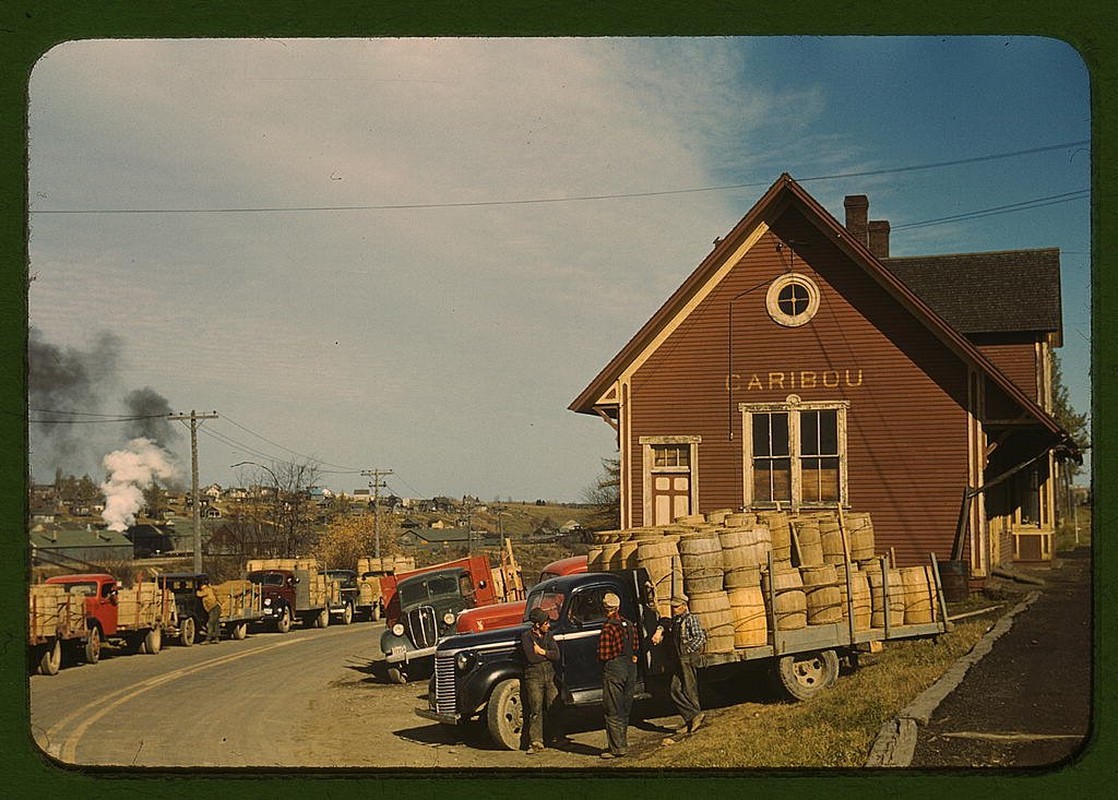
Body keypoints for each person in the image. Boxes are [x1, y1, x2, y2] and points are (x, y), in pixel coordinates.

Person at [652, 594, 707, 745]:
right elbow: (664, 621)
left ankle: (696, 719)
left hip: (687, 658)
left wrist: (688, 649)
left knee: (689, 688)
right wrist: (660, 630)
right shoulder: (676, 621)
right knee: (675, 689)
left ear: (684, 606)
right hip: (678, 660)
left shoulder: (690, 619)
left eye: (676, 607)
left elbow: (700, 637)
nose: (673, 609)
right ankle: (692, 717)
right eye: (673, 607)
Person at [596, 591, 640, 759]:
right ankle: (622, 741)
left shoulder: (608, 627)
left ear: (605, 608)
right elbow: (635, 646)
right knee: (624, 707)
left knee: (612, 708)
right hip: (630, 667)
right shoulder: (628, 624)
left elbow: (604, 654)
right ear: (618, 606)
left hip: (614, 668)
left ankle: (617, 748)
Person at [520, 607, 561, 753]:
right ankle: (536, 741)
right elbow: (531, 657)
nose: (548, 626)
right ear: (537, 624)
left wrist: (542, 652)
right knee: (535, 709)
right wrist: (547, 654)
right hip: (534, 676)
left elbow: (557, 655)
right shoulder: (526, 637)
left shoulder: (548, 635)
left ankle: (557, 737)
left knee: (553, 705)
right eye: (545, 623)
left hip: (549, 674)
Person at [196, 577, 222, 644]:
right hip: (213, 608)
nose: (201, 587)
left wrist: (196, 590)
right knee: (215, 624)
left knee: (210, 623)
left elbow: (198, 594)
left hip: (214, 608)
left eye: (202, 585)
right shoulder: (209, 589)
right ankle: (216, 638)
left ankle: (208, 639)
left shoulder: (206, 590)